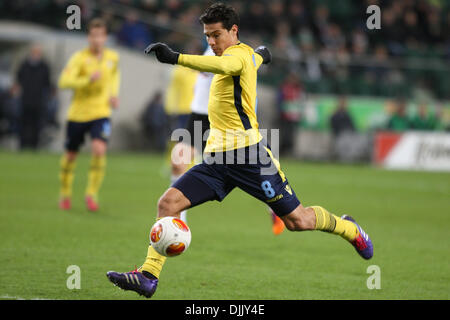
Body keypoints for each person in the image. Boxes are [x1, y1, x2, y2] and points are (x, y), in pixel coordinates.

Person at [106, 3, 373, 298]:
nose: (211, 42)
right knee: (168, 204)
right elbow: (255, 58)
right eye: (207, 36)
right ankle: (148, 276)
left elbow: (225, 66)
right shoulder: (247, 55)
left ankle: (349, 229)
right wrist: (263, 54)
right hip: (217, 160)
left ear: (234, 31)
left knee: (298, 221)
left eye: (216, 35)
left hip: (250, 157)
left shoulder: (235, 57)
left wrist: (175, 58)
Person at [57, 18, 120, 212]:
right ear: (88, 37)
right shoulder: (79, 58)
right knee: (70, 155)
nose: (97, 40)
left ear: (105, 37)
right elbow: (64, 81)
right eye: (93, 36)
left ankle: (91, 194)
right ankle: (65, 192)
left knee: (99, 149)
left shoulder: (112, 57)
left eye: (100, 36)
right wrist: (86, 80)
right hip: (78, 114)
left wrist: (113, 95)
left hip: (101, 112)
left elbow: (115, 77)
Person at [16, 44, 51, 150]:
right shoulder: (24, 65)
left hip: (38, 101)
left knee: (37, 125)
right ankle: (22, 145)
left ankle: (34, 146)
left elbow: (47, 83)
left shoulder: (44, 67)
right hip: (25, 100)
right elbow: (18, 80)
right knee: (23, 124)